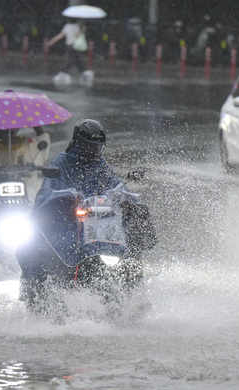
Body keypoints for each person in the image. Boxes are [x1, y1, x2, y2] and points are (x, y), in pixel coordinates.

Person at [17, 119, 156, 307]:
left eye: (97, 147)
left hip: (99, 225)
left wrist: (125, 196)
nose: (93, 151)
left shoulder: (101, 165)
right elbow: (49, 190)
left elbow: (114, 184)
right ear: (78, 142)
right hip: (68, 224)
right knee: (37, 249)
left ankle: (135, 297)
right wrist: (68, 197)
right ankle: (39, 293)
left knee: (130, 246)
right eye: (89, 146)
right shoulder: (62, 162)